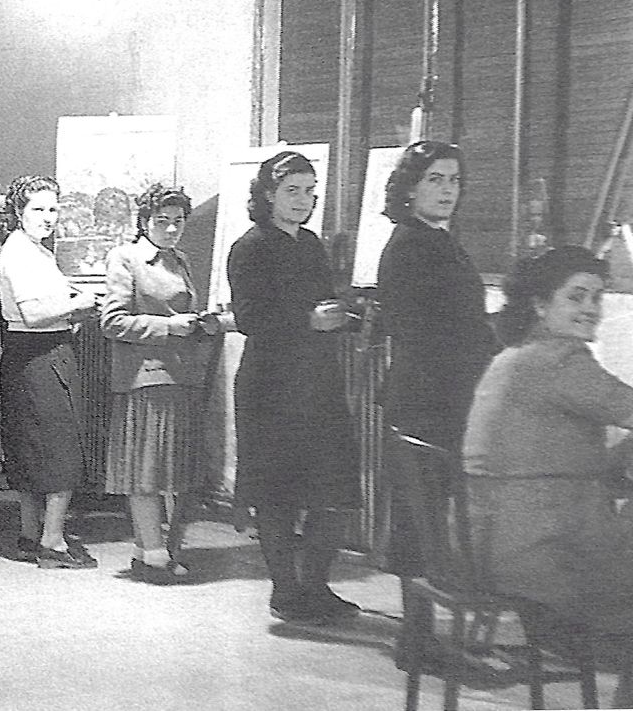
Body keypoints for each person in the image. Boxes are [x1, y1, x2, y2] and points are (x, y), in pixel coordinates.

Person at [463, 246, 633, 636]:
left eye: (597, 297)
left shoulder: (516, 354)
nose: (591, 308)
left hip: (487, 540)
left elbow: (563, 457)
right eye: (576, 296)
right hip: (535, 551)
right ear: (540, 305)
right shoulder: (561, 361)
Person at [376, 140, 499, 661]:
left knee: (428, 517)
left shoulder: (438, 241)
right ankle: (417, 636)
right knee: (418, 519)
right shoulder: (410, 245)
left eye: (453, 181)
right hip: (426, 400)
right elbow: (421, 330)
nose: (447, 190)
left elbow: (460, 322)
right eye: (434, 180)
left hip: (444, 397)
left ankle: (422, 632)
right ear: (410, 186)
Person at [226, 150, 361, 622]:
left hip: (318, 383)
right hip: (270, 386)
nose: (304, 200)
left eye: (309, 191)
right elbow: (249, 318)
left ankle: (317, 587)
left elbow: (324, 301)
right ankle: (285, 591)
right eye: (292, 191)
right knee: (277, 495)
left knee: (333, 489)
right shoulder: (250, 246)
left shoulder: (310, 244)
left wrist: (348, 315)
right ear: (267, 195)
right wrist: (309, 320)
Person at [101, 183, 232, 583]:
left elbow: (182, 313)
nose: (172, 229)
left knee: (169, 471)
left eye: (179, 221)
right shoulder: (126, 258)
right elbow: (112, 321)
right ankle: (154, 555)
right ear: (144, 222)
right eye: (163, 221)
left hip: (181, 375)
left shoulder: (182, 260)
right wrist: (168, 326)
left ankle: (148, 549)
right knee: (146, 471)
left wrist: (204, 322)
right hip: (145, 378)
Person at [0, 175, 97, 569]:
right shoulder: (19, 252)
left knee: (34, 449)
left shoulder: (36, 251)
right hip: (38, 357)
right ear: (19, 211)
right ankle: (52, 543)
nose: (48, 216)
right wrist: (80, 303)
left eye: (53, 209)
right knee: (58, 450)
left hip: (37, 353)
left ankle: (28, 534)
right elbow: (33, 313)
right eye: (38, 208)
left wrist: (71, 312)